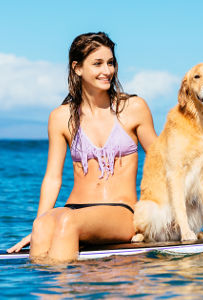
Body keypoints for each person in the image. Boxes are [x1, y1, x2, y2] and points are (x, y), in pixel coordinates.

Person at [7, 32, 157, 263]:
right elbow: (52, 178)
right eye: (97, 64)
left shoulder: (133, 107)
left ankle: (63, 291)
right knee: (44, 225)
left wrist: (166, 215)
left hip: (120, 210)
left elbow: (162, 161)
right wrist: (38, 225)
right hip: (74, 206)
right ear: (77, 68)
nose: (107, 70)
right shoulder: (60, 117)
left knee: (69, 222)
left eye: (110, 63)